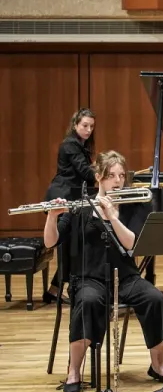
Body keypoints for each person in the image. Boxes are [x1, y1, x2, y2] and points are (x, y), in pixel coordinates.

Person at [43, 151, 163, 392]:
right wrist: (52, 217)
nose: (117, 181)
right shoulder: (79, 206)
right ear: (98, 177)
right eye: (111, 175)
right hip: (88, 278)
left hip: (125, 276)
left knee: (155, 299)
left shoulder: (132, 204)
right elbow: (51, 243)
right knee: (87, 302)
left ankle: (158, 366)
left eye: (122, 175)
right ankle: (74, 370)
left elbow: (131, 244)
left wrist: (113, 217)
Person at [44, 108, 97, 303]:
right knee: (68, 246)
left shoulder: (80, 145)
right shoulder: (70, 145)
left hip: (71, 197)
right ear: (75, 125)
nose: (89, 129)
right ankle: (58, 288)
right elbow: (85, 172)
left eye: (91, 126)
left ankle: (54, 288)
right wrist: (105, 173)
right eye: (85, 125)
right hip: (62, 197)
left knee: (70, 247)